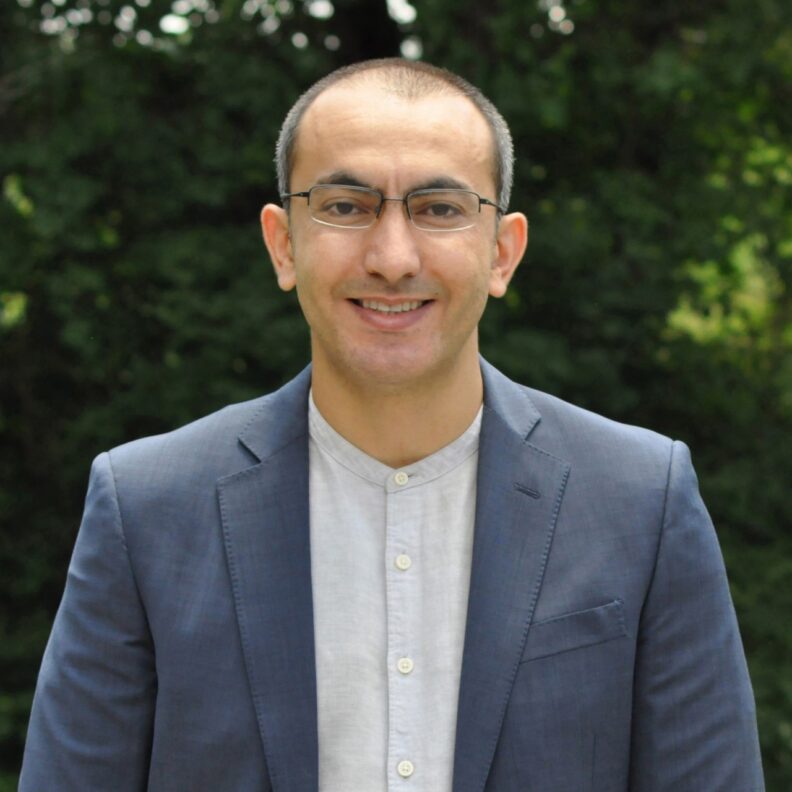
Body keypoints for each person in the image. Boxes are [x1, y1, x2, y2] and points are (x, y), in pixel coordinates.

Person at [20, 58, 764, 792]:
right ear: (284, 244)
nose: (392, 258)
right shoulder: (145, 507)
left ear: (502, 252)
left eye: (439, 209)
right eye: (346, 206)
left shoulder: (641, 500)